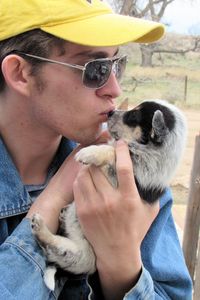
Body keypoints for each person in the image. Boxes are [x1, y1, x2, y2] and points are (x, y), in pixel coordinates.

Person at [0, 0, 192, 299]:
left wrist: (121, 264)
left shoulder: (133, 182)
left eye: (118, 65)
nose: (115, 89)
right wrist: (53, 201)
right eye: (96, 68)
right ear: (20, 73)